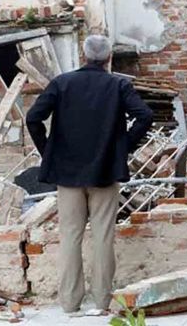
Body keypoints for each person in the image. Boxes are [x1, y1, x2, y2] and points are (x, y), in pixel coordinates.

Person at [26, 34, 154, 314]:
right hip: (105, 172)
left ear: (83, 55)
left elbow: (33, 118)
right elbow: (144, 116)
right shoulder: (119, 84)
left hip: (67, 174)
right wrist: (123, 147)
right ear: (109, 58)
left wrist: (48, 151)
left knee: (70, 236)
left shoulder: (62, 83)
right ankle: (101, 302)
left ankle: (70, 304)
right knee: (103, 236)